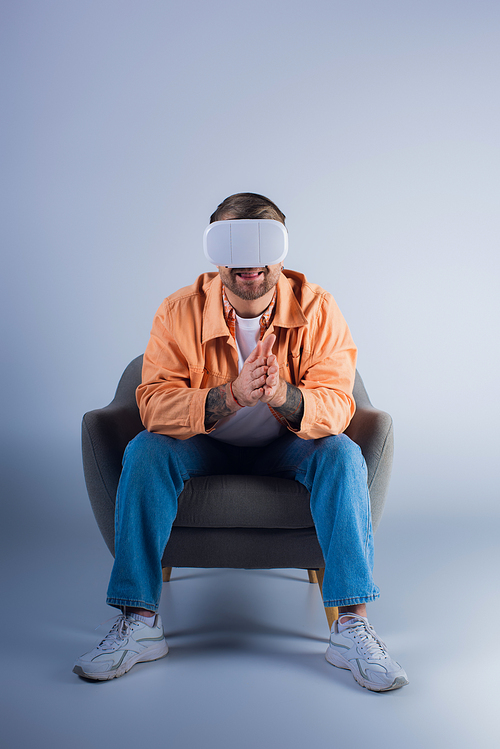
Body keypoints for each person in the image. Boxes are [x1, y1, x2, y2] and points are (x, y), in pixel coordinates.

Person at [73, 193, 408, 691]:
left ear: (282, 251)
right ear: (214, 252)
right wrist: (228, 397)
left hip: (287, 445)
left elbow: (340, 405)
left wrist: (282, 395)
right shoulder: (178, 311)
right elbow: (152, 403)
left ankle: (350, 626)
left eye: (262, 243)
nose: (248, 263)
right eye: (232, 244)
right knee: (144, 449)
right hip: (203, 444)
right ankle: (139, 623)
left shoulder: (319, 309)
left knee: (342, 453)